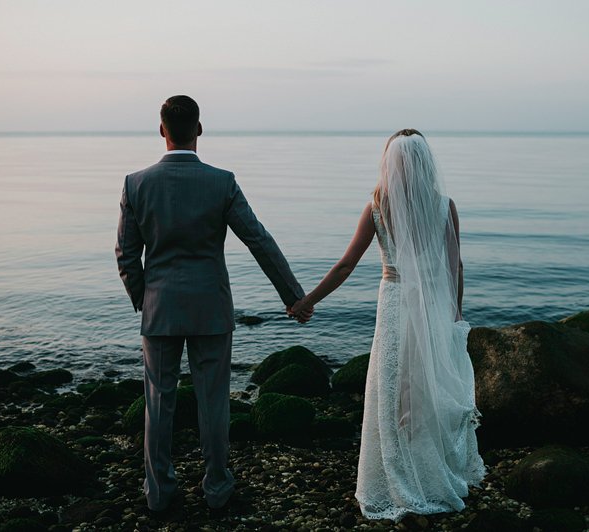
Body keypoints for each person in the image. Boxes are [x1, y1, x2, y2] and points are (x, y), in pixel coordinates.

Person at [116, 95, 311, 516]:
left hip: (160, 309)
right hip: (211, 309)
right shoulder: (222, 182)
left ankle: (159, 493)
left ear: (162, 130)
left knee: (158, 402)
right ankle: (218, 489)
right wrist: (293, 296)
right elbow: (258, 239)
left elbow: (127, 256)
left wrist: (144, 298)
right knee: (214, 401)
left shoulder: (136, 183)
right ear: (199, 129)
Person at [290, 129, 485, 521]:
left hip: (395, 302)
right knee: (425, 390)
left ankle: (396, 478)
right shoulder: (444, 205)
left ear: (390, 164)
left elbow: (346, 265)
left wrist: (308, 300)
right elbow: (455, 266)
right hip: (432, 307)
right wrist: (455, 314)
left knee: (392, 390)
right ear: (425, 163)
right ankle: (432, 476)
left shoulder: (377, 206)